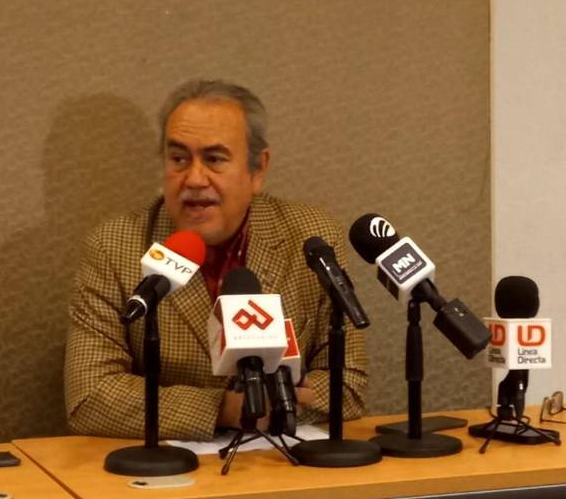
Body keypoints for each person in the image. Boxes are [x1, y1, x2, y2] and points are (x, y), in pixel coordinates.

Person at [64, 79, 367, 440]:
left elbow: (348, 383)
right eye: (179, 159)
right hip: (175, 467)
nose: (194, 179)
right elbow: (90, 396)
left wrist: (275, 402)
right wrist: (224, 408)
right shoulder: (115, 247)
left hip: (282, 459)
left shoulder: (309, 238)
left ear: (257, 169)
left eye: (214, 159)